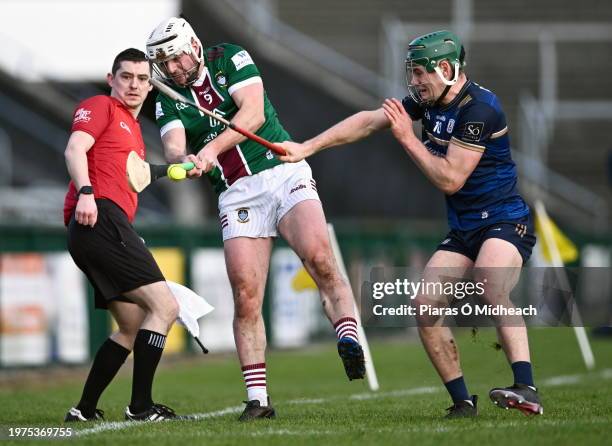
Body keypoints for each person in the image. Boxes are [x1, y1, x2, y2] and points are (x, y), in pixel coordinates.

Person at [277, 30, 543, 418]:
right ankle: (462, 403)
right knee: (424, 305)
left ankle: (526, 386)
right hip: (465, 228)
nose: (414, 82)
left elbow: (450, 178)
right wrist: (308, 147)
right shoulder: (430, 101)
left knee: (489, 282)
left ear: (447, 69)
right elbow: (369, 121)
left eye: (420, 73)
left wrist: (406, 137)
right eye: (412, 73)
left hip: (505, 219)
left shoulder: (480, 109)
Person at [145, 17, 366, 421]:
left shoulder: (230, 57)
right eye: (165, 64)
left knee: (319, 257)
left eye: (175, 58)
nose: (173, 69)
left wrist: (210, 147)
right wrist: (185, 161)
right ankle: (258, 400)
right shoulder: (167, 98)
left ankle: (348, 336)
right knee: (246, 296)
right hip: (235, 192)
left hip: (282, 172)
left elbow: (252, 115)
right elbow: (174, 146)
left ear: (193, 46)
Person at [63, 48, 180, 422]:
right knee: (165, 308)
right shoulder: (101, 106)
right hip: (99, 218)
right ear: (111, 79)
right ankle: (141, 408)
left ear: (150, 86)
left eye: (142, 79)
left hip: (104, 227)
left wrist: (182, 169)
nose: (134, 84)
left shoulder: (132, 131)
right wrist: (85, 193)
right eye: (126, 76)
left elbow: (138, 174)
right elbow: (75, 148)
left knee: (130, 326)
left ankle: (82, 410)